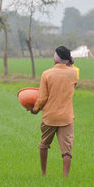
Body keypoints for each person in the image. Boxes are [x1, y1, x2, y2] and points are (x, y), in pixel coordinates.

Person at [30, 46, 78, 177]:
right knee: (67, 151)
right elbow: (74, 80)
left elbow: (42, 97)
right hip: (66, 118)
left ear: (56, 58)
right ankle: (65, 178)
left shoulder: (47, 74)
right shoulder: (73, 73)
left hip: (49, 117)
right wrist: (71, 63)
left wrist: (35, 109)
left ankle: (44, 173)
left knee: (44, 145)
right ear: (67, 59)